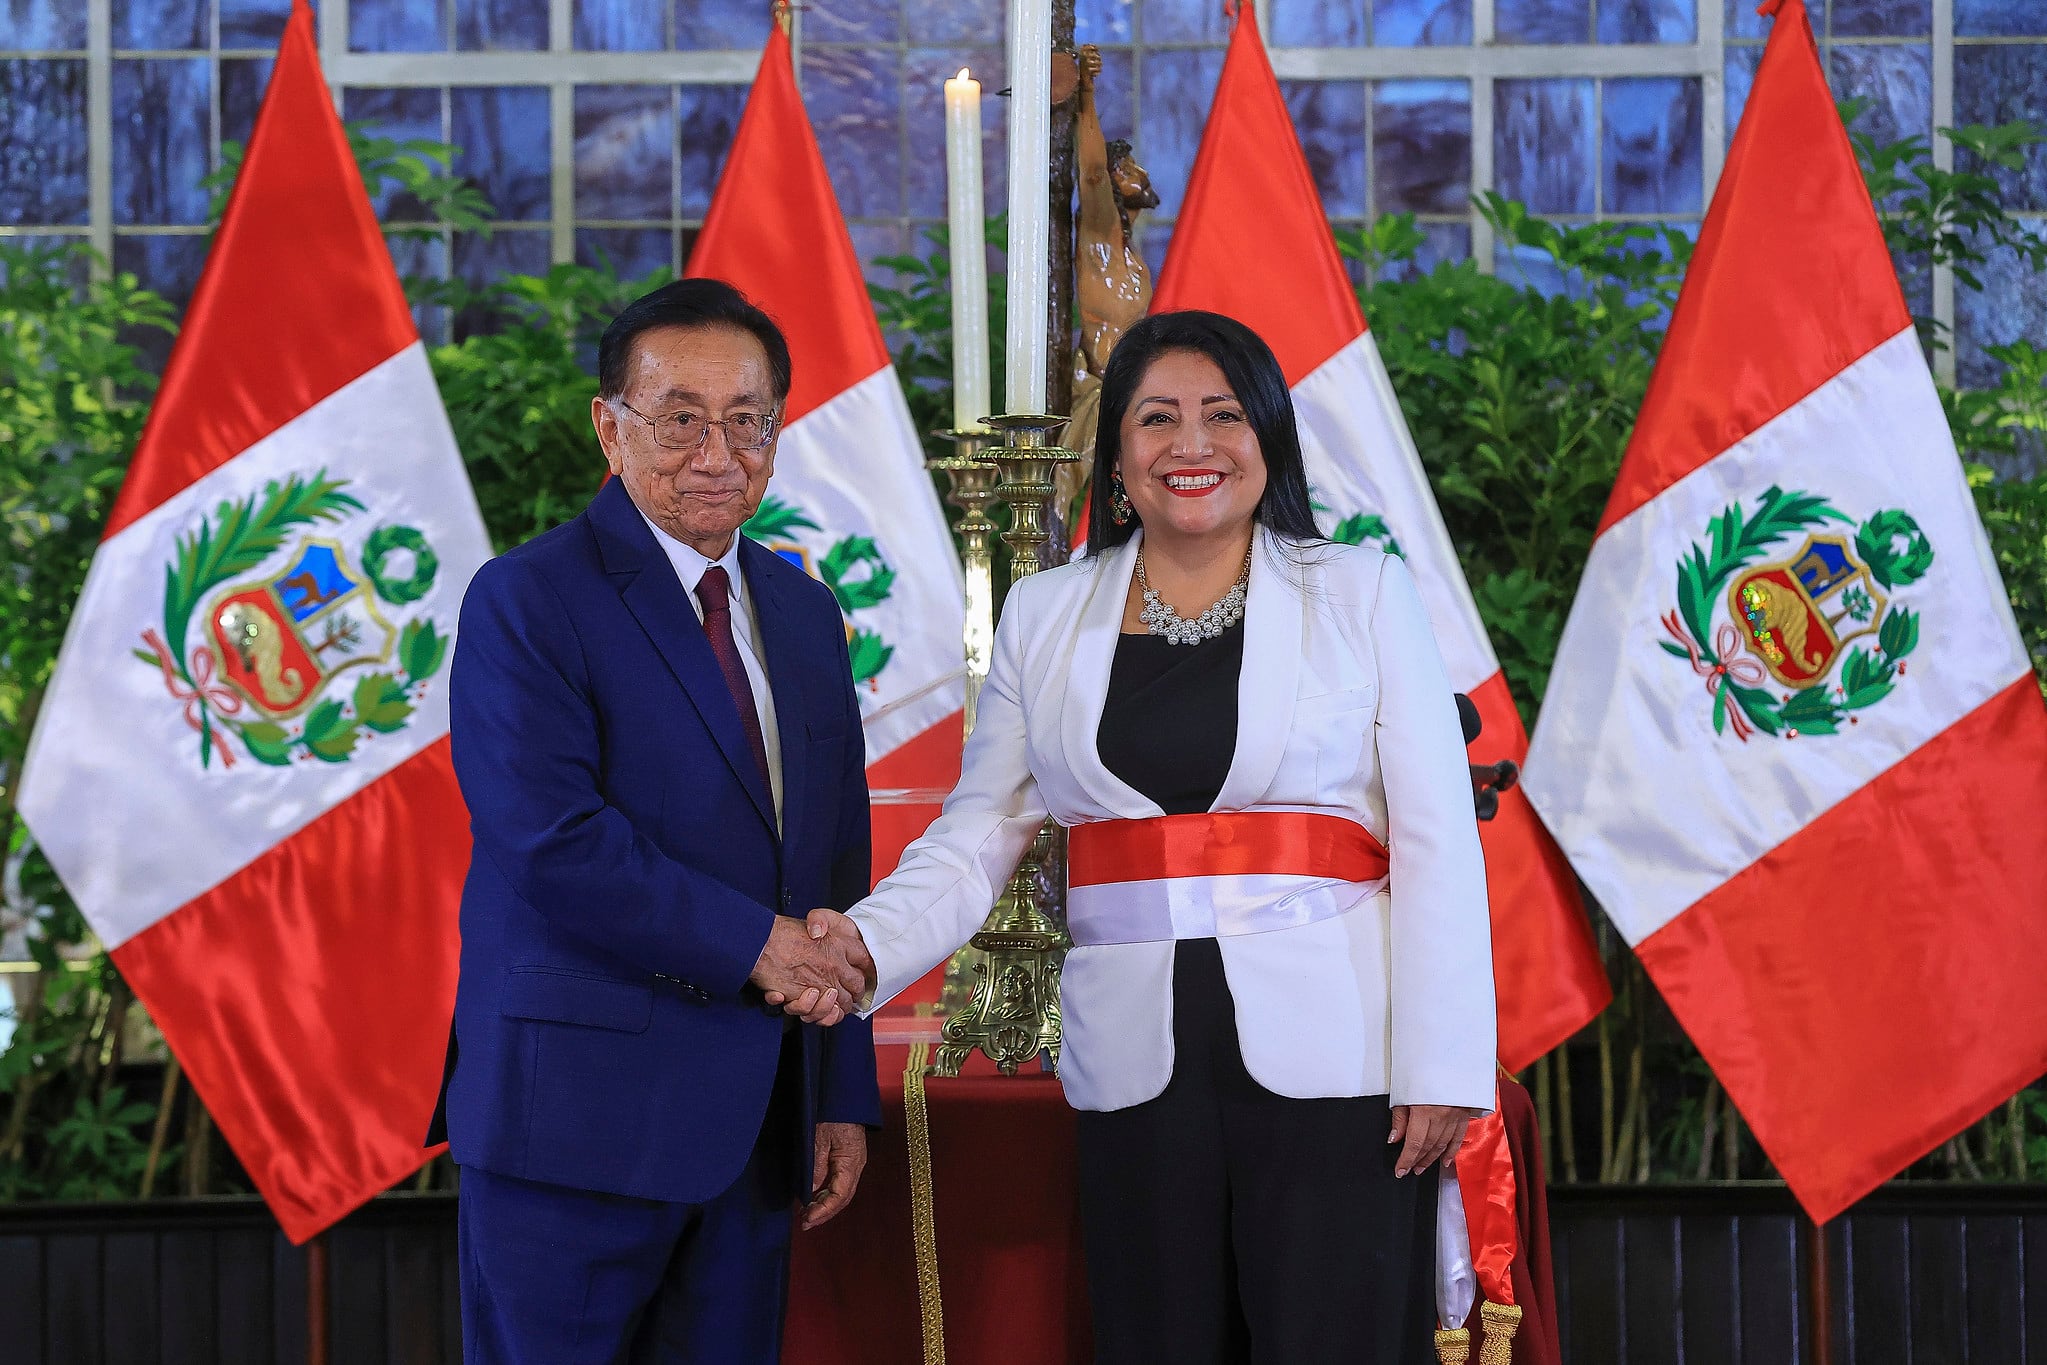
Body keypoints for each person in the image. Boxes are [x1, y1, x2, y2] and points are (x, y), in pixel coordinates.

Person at [809, 310, 1496, 1364]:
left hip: (1341, 1063)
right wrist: (861, 947)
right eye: (1157, 418)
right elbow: (977, 832)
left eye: (1222, 415)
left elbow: (1438, 840)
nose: (1191, 445)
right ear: (1118, 452)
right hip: (1136, 1065)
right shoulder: (1044, 613)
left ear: (1267, 434)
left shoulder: (1363, 590)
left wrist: (1441, 1064)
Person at [433, 279, 880, 1364]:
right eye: (680, 419)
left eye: (747, 420)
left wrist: (839, 1090)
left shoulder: (805, 613)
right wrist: (757, 944)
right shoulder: (526, 598)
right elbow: (552, 839)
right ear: (610, 426)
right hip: (570, 1125)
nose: (717, 453)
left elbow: (835, 863)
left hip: (756, 1127)